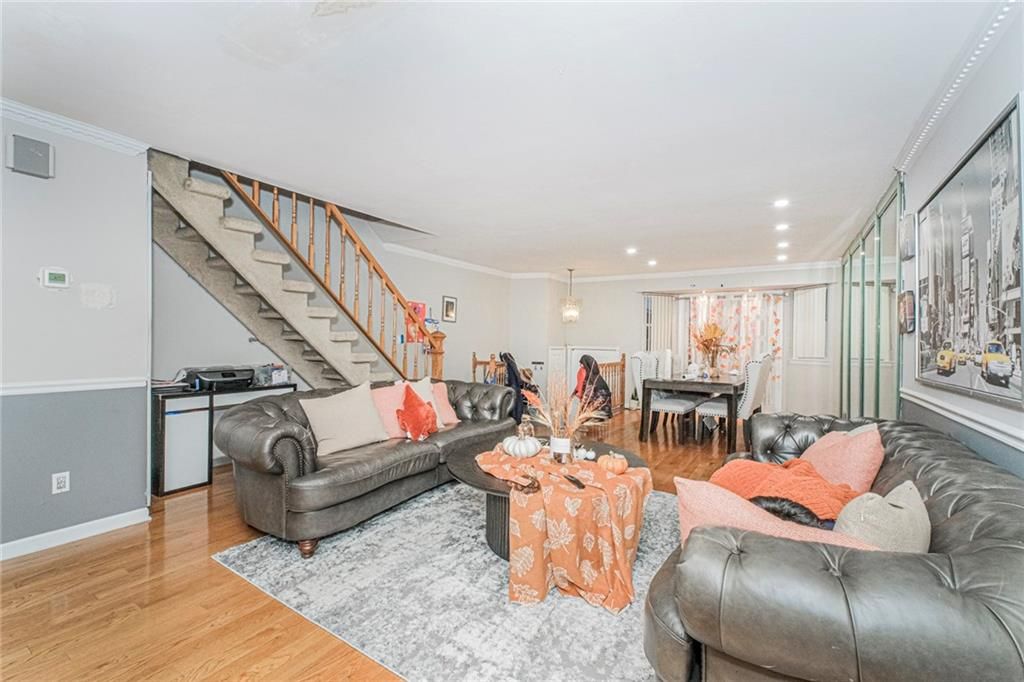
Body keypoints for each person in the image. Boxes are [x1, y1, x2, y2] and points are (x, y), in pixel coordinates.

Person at [574, 355, 612, 420]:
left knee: (583, 419)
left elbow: (582, 393)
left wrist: (580, 398)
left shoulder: (583, 372)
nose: (580, 366)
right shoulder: (598, 377)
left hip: (594, 407)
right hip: (605, 409)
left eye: (581, 364)